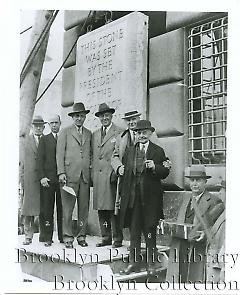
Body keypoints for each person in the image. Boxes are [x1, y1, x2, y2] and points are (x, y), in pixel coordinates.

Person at [119, 120, 171, 275]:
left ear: (150, 133)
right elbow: (126, 176)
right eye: (138, 133)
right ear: (136, 134)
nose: (141, 135)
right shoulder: (130, 151)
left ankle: (151, 263)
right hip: (133, 200)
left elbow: (165, 172)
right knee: (134, 232)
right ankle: (133, 263)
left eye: (144, 132)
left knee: (149, 231)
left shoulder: (158, 151)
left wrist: (155, 167)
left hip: (150, 200)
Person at [166, 165, 225, 283]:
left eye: (198, 180)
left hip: (198, 248)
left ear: (205, 182)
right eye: (192, 180)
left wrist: (203, 233)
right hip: (180, 246)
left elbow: (216, 228)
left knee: (194, 279)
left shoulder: (214, 201)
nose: (195, 184)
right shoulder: (186, 198)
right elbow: (180, 220)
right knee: (179, 277)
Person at [56, 102, 92, 248]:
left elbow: (90, 154)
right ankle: (68, 237)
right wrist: (61, 172)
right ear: (73, 117)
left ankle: (81, 236)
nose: (79, 118)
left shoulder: (89, 133)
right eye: (77, 116)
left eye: (82, 116)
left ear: (84, 117)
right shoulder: (64, 132)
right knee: (68, 208)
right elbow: (59, 154)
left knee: (83, 209)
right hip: (69, 176)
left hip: (84, 177)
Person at [92, 103, 124, 248]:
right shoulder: (95, 134)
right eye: (102, 116)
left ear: (111, 116)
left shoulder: (119, 132)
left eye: (107, 115)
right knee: (102, 209)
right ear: (99, 118)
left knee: (113, 208)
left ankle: (117, 238)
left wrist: (116, 172)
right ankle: (106, 237)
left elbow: (121, 155)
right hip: (98, 177)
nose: (104, 118)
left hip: (111, 175)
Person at [37, 114, 63, 247]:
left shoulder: (64, 138)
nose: (54, 125)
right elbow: (39, 161)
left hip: (61, 181)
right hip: (48, 181)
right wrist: (42, 177)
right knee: (47, 210)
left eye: (56, 123)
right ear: (48, 125)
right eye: (51, 123)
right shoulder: (44, 139)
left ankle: (63, 236)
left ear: (60, 123)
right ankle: (47, 237)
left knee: (62, 209)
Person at [21, 115, 46, 245]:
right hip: (30, 180)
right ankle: (28, 236)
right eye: (35, 126)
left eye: (40, 126)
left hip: (43, 180)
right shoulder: (26, 141)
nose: (38, 128)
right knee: (28, 209)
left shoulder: (46, 140)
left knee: (44, 208)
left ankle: (44, 235)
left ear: (44, 127)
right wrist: (21, 181)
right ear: (32, 127)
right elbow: (21, 163)